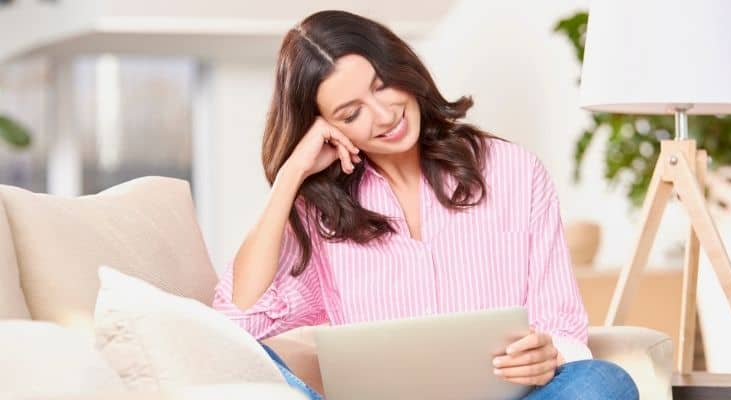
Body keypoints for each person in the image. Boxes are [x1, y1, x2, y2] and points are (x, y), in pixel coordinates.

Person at [212, 9, 638, 400]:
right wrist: (290, 177)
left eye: (381, 86)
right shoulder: (323, 215)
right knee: (254, 367)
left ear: (402, 67)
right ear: (325, 128)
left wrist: (550, 354)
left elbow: (563, 328)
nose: (383, 115)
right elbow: (236, 325)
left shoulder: (515, 172)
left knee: (603, 382)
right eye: (350, 113)